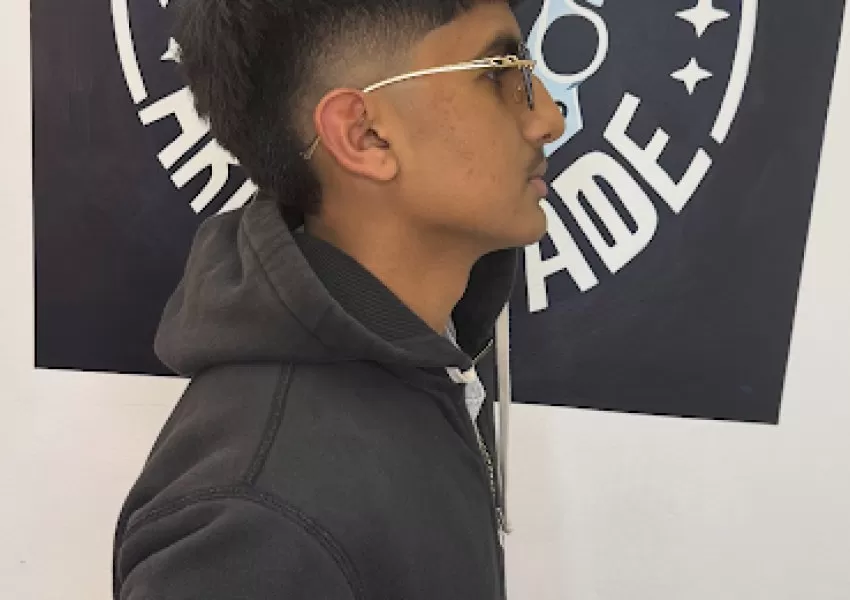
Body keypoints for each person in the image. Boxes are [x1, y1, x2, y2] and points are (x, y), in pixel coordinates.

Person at [112, 0, 564, 597]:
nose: (548, 118)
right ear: (364, 135)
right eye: (496, 74)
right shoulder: (252, 528)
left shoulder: (424, 363)